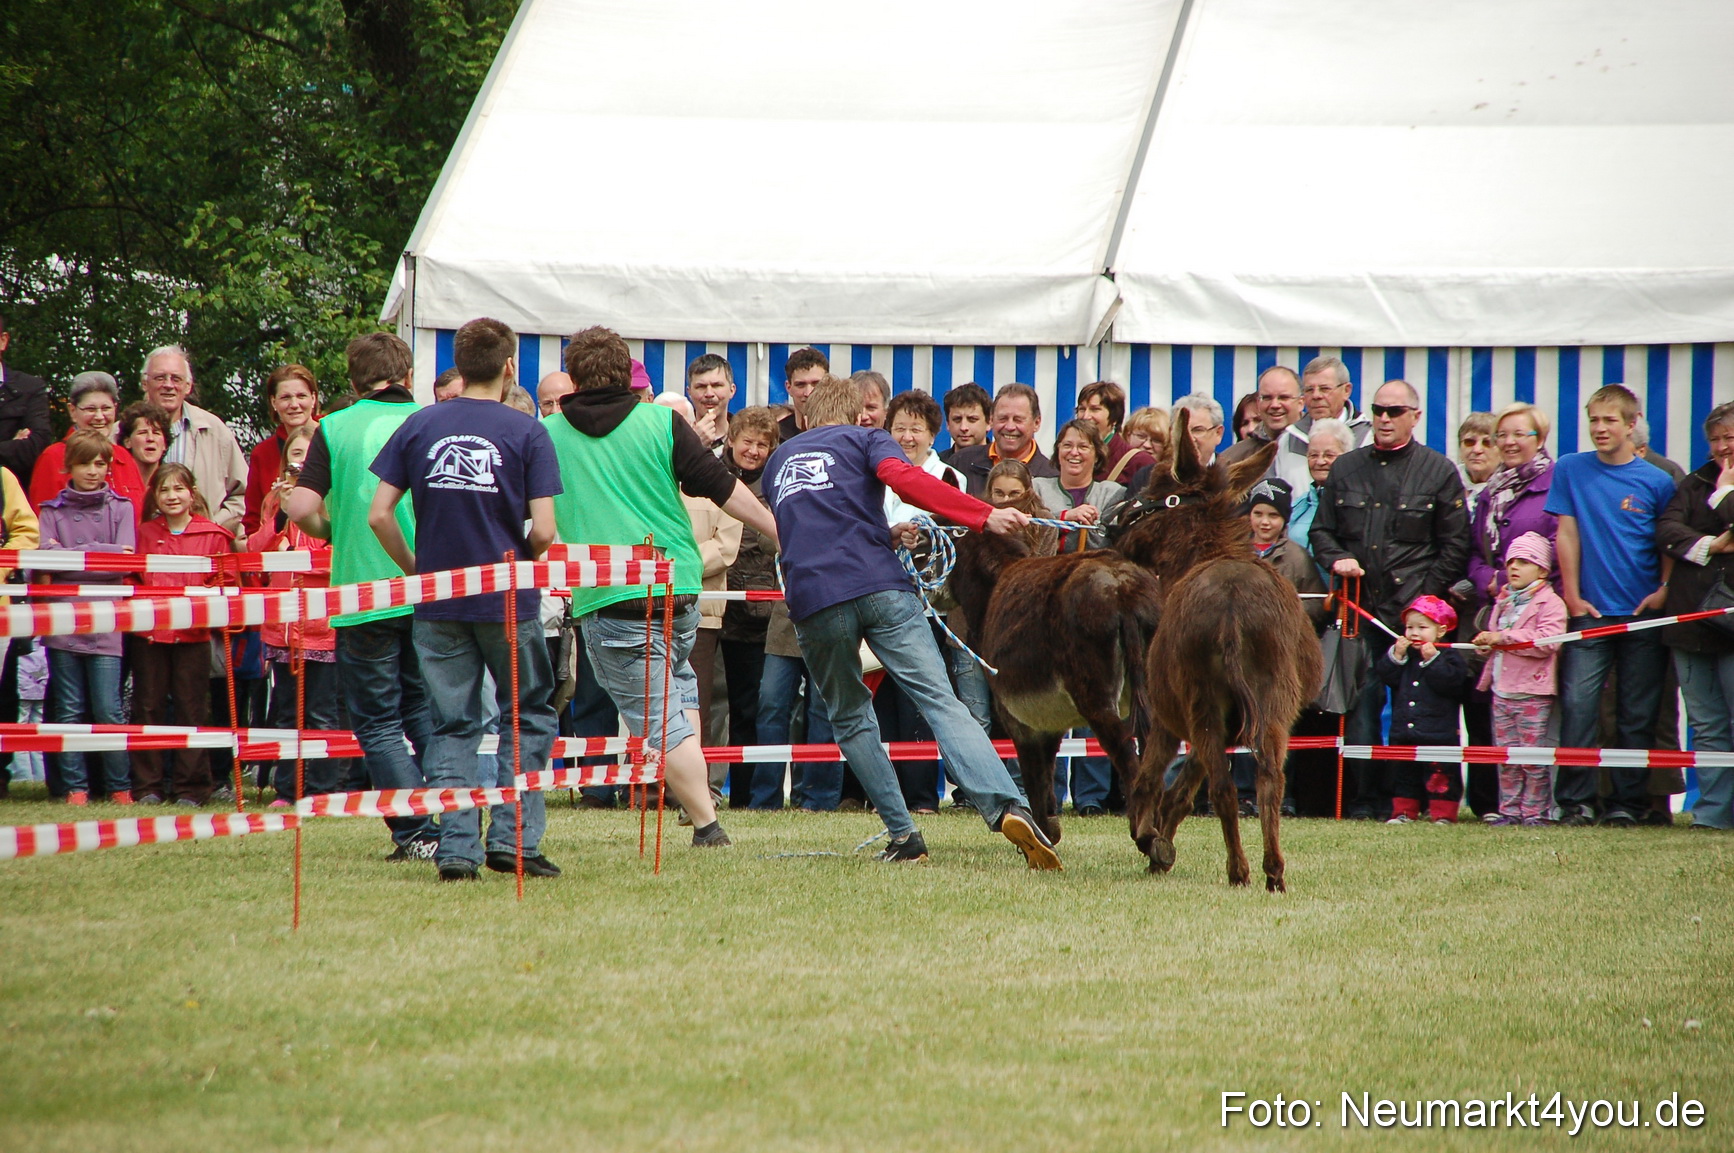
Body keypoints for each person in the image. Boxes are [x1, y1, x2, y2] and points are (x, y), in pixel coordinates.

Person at [763, 374, 1060, 868]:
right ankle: (1009, 805)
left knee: (852, 717)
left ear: (809, 419)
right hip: (881, 586)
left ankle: (905, 838)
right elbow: (905, 479)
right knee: (942, 702)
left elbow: (817, 520)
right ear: (860, 417)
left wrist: (883, 529)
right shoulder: (866, 438)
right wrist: (982, 515)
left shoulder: (777, 461)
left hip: (814, 599)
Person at [548, 326, 780, 847]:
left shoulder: (550, 433)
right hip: (678, 586)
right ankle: (697, 806)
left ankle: (707, 824)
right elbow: (724, 488)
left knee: (658, 719)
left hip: (611, 597)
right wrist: (778, 528)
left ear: (576, 376)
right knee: (679, 693)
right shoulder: (661, 423)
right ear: (626, 369)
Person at [368, 317, 564, 882]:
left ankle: (457, 849)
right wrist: (521, 561)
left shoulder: (420, 424)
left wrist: (418, 570)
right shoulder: (528, 432)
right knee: (523, 717)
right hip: (508, 600)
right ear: (509, 367)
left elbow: (379, 513)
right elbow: (546, 530)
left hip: (438, 601)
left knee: (451, 725)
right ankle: (514, 840)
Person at [286, 332, 440, 862]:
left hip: (359, 594)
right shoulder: (432, 420)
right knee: (425, 710)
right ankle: (456, 818)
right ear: (409, 375)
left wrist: (332, 528)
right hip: (429, 588)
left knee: (377, 721)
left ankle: (416, 832)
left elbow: (300, 506)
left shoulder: (332, 427)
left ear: (353, 382)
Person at [1308, 379, 1470, 819]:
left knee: (1419, 714)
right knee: (1361, 708)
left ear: (1414, 416)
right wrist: (1338, 557)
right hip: (1361, 613)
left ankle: (1424, 801)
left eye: (1394, 411)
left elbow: (1456, 545)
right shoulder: (1346, 467)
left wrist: (1424, 602)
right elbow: (1320, 531)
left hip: (1413, 616)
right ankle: (1366, 800)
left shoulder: (1439, 471)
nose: (1384, 418)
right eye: (1379, 409)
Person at [1545, 384, 1675, 826]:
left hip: (1642, 615)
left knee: (1637, 713)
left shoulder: (1658, 480)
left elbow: (1668, 541)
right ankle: (1575, 803)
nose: (1600, 429)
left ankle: (1628, 803)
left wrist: (1663, 587)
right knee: (1579, 709)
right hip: (1590, 614)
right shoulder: (1570, 469)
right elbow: (1567, 532)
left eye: (1609, 420)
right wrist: (1572, 595)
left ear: (1631, 424)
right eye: (1593, 420)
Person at [247, 425, 348, 803]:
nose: (301, 463)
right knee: (286, 714)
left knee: (322, 714)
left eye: (309, 455)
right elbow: (254, 553)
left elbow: (338, 561)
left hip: (322, 628)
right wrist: (278, 521)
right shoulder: (276, 503)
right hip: (281, 628)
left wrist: (301, 560)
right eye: (295, 455)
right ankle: (287, 789)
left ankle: (323, 790)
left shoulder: (335, 502)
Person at [34, 431, 135, 806]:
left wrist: (75, 555)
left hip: (107, 621)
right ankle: (76, 788)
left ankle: (119, 786)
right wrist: (101, 553)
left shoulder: (122, 507)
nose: (93, 471)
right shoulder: (50, 511)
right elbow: (48, 560)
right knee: (69, 708)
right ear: (68, 467)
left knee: (109, 708)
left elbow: (124, 561)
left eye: (100, 463)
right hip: (62, 621)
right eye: (85, 463)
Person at [655, 393, 744, 788]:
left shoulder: (713, 476)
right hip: (643, 605)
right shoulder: (645, 482)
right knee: (648, 703)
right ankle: (649, 785)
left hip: (700, 609)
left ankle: (697, 789)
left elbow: (725, 548)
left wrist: (676, 570)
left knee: (696, 704)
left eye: (679, 420)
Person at [130, 464, 231, 805]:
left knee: (192, 709)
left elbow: (227, 585)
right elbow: (131, 579)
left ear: (192, 492)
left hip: (194, 636)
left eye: (178, 489)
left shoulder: (214, 535)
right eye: (164, 490)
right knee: (147, 707)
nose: (172, 496)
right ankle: (148, 786)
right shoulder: (143, 533)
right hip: (150, 635)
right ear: (155, 496)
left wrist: (204, 608)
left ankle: (191, 787)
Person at [1655, 402, 1734, 831]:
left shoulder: (1716, 484)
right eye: (1715, 440)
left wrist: (1725, 493)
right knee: (1705, 723)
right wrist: (1714, 546)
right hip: (1690, 620)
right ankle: (1713, 814)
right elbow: (1667, 530)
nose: (1721, 447)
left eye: (1730, 439)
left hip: (1731, 623)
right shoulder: (1692, 481)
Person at [1472, 533, 1567, 826]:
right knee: (1506, 758)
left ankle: (1535, 813)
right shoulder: (1503, 601)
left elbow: (1547, 643)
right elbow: (1498, 642)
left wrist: (1503, 637)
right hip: (1501, 691)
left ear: (1542, 570)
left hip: (1532, 693)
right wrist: (1487, 644)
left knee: (1532, 759)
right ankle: (1509, 812)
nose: (1514, 567)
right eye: (1511, 560)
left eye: (1524, 561)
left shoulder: (1551, 603)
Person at [718, 407, 781, 806]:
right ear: (731, 440)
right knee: (708, 708)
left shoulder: (775, 486)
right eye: (748, 441)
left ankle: (746, 795)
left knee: (751, 709)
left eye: (763, 444)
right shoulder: (709, 476)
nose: (754, 450)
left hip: (757, 618)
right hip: (711, 608)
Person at [1375, 596, 1472, 823]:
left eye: (1422, 627)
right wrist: (1396, 656)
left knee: (1441, 774)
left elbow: (1453, 684)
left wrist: (1433, 661)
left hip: (1439, 732)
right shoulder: (1407, 656)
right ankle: (1403, 812)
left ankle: (1443, 814)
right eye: (1409, 627)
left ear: (1441, 631)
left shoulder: (1449, 656)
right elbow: (1388, 676)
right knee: (1404, 774)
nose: (1414, 633)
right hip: (1404, 731)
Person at [141, 345, 248, 530]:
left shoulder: (214, 431)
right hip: (142, 545)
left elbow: (244, 494)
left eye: (176, 378)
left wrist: (211, 525)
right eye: (160, 377)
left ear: (188, 386)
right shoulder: (122, 433)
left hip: (201, 548)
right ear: (145, 383)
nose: (168, 385)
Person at [28, 372, 146, 525]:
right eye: (90, 409)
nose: (99, 416)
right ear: (72, 411)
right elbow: (44, 522)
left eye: (106, 408)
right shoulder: (54, 457)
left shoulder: (123, 456)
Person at [243, 365, 321, 534]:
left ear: (314, 398)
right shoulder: (263, 454)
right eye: (285, 397)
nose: (294, 404)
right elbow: (253, 523)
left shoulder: (335, 437)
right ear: (274, 402)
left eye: (301, 396)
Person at [949, 383, 1059, 498]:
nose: (1009, 427)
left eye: (1018, 420)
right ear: (991, 420)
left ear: (1036, 423)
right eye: (1003, 418)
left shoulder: (1051, 477)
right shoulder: (961, 463)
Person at [1033, 418, 1125, 551]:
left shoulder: (1112, 494)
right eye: (1067, 445)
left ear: (1097, 455)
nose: (1074, 452)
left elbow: (1108, 546)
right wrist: (1065, 517)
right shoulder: (1037, 488)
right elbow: (1029, 534)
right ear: (1058, 451)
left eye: (1083, 447)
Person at [1219, 367, 1305, 488]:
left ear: (1301, 403)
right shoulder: (1234, 458)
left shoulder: (1319, 448)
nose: (1275, 405)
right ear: (1259, 404)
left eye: (1283, 397)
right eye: (1267, 398)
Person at [0, 313, 55, 483]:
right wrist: (12, 445)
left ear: (3, 340)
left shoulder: (30, 388)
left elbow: (37, 445)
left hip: (12, 501)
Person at [1286, 417, 1352, 555]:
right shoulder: (1299, 506)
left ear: (1348, 457)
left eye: (1329, 455)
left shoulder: (1355, 504)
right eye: (1313, 455)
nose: (1320, 461)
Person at [1074, 380, 1155, 485]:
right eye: (1082, 409)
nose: (1086, 416)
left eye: (1095, 409)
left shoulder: (1139, 462)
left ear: (1114, 417)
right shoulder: (1069, 456)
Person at [778, 347, 829, 443]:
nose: (808, 392)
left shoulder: (843, 433)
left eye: (816, 384)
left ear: (829, 384)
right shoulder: (776, 436)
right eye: (800, 385)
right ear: (788, 387)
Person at [686, 353, 735, 450]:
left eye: (717, 385)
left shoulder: (744, 439)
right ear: (689, 392)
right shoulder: (676, 437)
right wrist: (692, 445)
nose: (709, 393)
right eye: (701, 386)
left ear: (732, 390)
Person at [119, 402, 172, 489]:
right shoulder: (117, 481)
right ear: (127, 442)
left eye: (156, 433)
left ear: (165, 444)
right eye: (142, 432)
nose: (150, 438)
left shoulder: (174, 483)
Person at [940, 383, 991, 462]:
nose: (963, 427)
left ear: (989, 422)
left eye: (972, 419)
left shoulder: (1000, 465)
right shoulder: (935, 467)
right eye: (957, 419)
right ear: (948, 423)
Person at [1456, 413, 1498, 501]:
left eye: (1487, 442)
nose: (1477, 450)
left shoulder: (1512, 489)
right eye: (1469, 442)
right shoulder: (1446, 482)